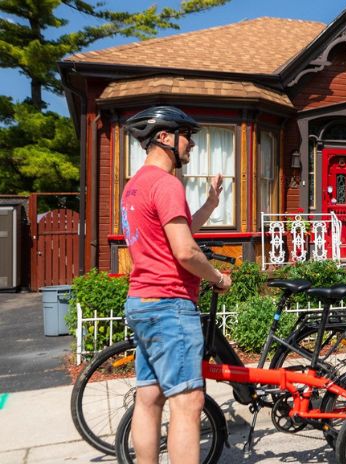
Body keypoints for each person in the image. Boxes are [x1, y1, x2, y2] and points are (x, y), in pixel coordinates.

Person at [121, 105, 232, 464]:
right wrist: (218, 278)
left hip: (142, 302)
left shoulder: (134, 187)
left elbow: (173, 234)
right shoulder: (167, 184)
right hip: (171, 305)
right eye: (188, 137)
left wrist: (210, 205)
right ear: (165, 138)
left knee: (149, 398)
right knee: (188, 402)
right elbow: (185, 251)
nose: (192, 146)